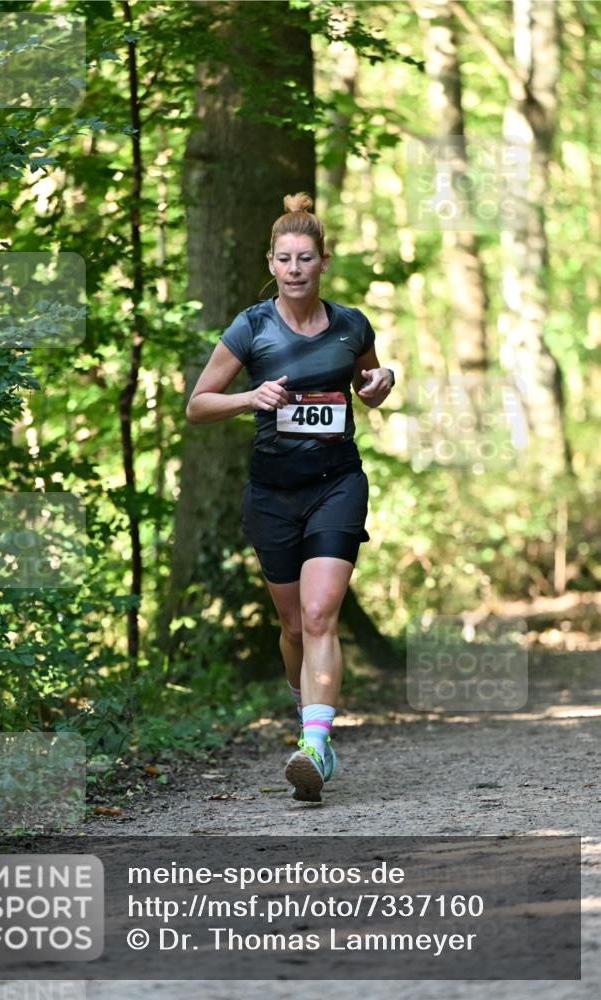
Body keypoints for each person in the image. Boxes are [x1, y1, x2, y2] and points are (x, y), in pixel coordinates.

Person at [186, 192, 394, 803]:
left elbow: (368, 386)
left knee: (318, 613)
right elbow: (198, 406)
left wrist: (383, 381)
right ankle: (308, 710)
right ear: (271, 263)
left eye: (307, 257)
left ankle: (315, 745)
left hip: (336, 484)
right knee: (292, 628)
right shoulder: (252, 327)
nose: (296, 268)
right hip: (272, 492)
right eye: (285, 259)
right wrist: (251, 399)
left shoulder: (352, 323)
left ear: (323, 261)